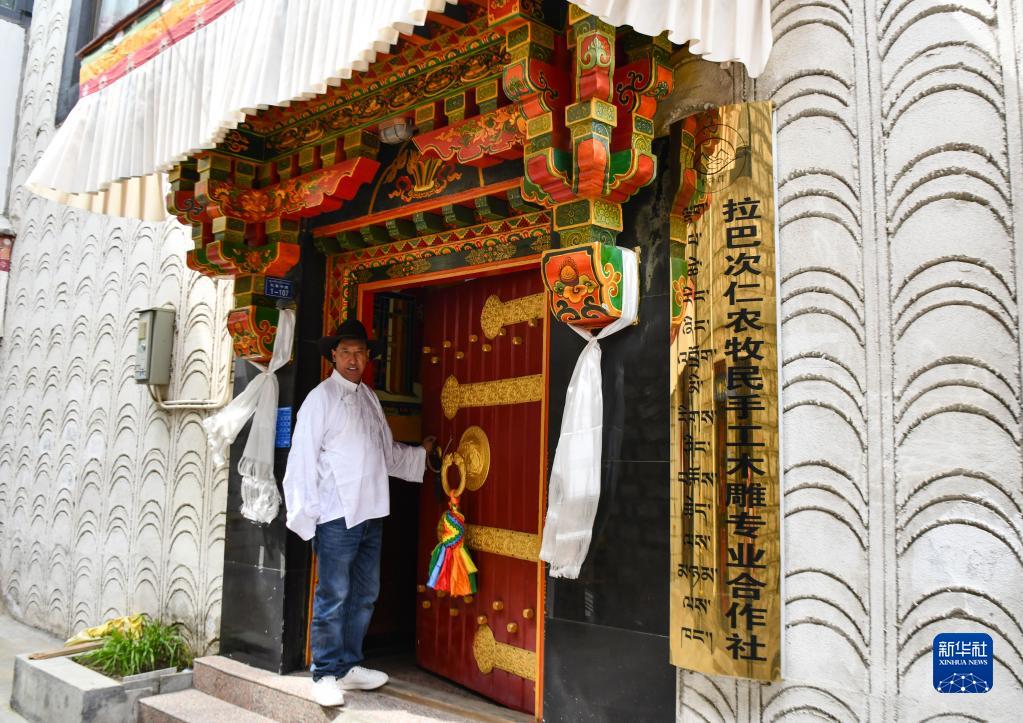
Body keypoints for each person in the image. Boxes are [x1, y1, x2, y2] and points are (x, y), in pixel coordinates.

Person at [282, 318, 435, 707]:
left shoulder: (369, 397)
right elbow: (301, 458)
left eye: (360, 352)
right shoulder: (320, 399)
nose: (353, 359)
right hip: (335, 515)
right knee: (334, 594)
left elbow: (384, 452)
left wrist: (422, 454)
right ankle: (324, 672)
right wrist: (305, 513)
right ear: (333, 355)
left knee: (365, 593)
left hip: (371, 511)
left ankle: (348, 665)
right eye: (346, 351)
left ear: (369, 357)